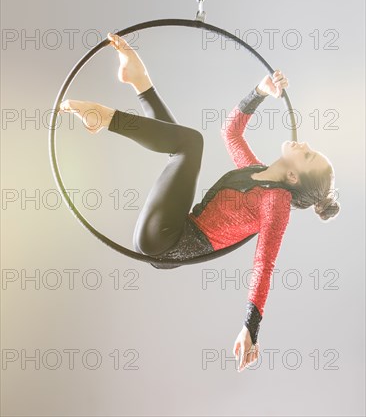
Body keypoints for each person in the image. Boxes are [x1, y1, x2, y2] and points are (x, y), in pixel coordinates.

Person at [59, 33, 340, 372]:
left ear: (294, 178)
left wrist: (250, 328)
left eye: (306, 154)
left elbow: (263, 266)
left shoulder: (275, 204)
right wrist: (260, 92)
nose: (303, 143)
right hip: (174, 225)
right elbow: (231, 132)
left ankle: (106, 119)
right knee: (180, 147)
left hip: (166, 240)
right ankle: (140, 81)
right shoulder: (257, 171)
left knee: (189, 145)